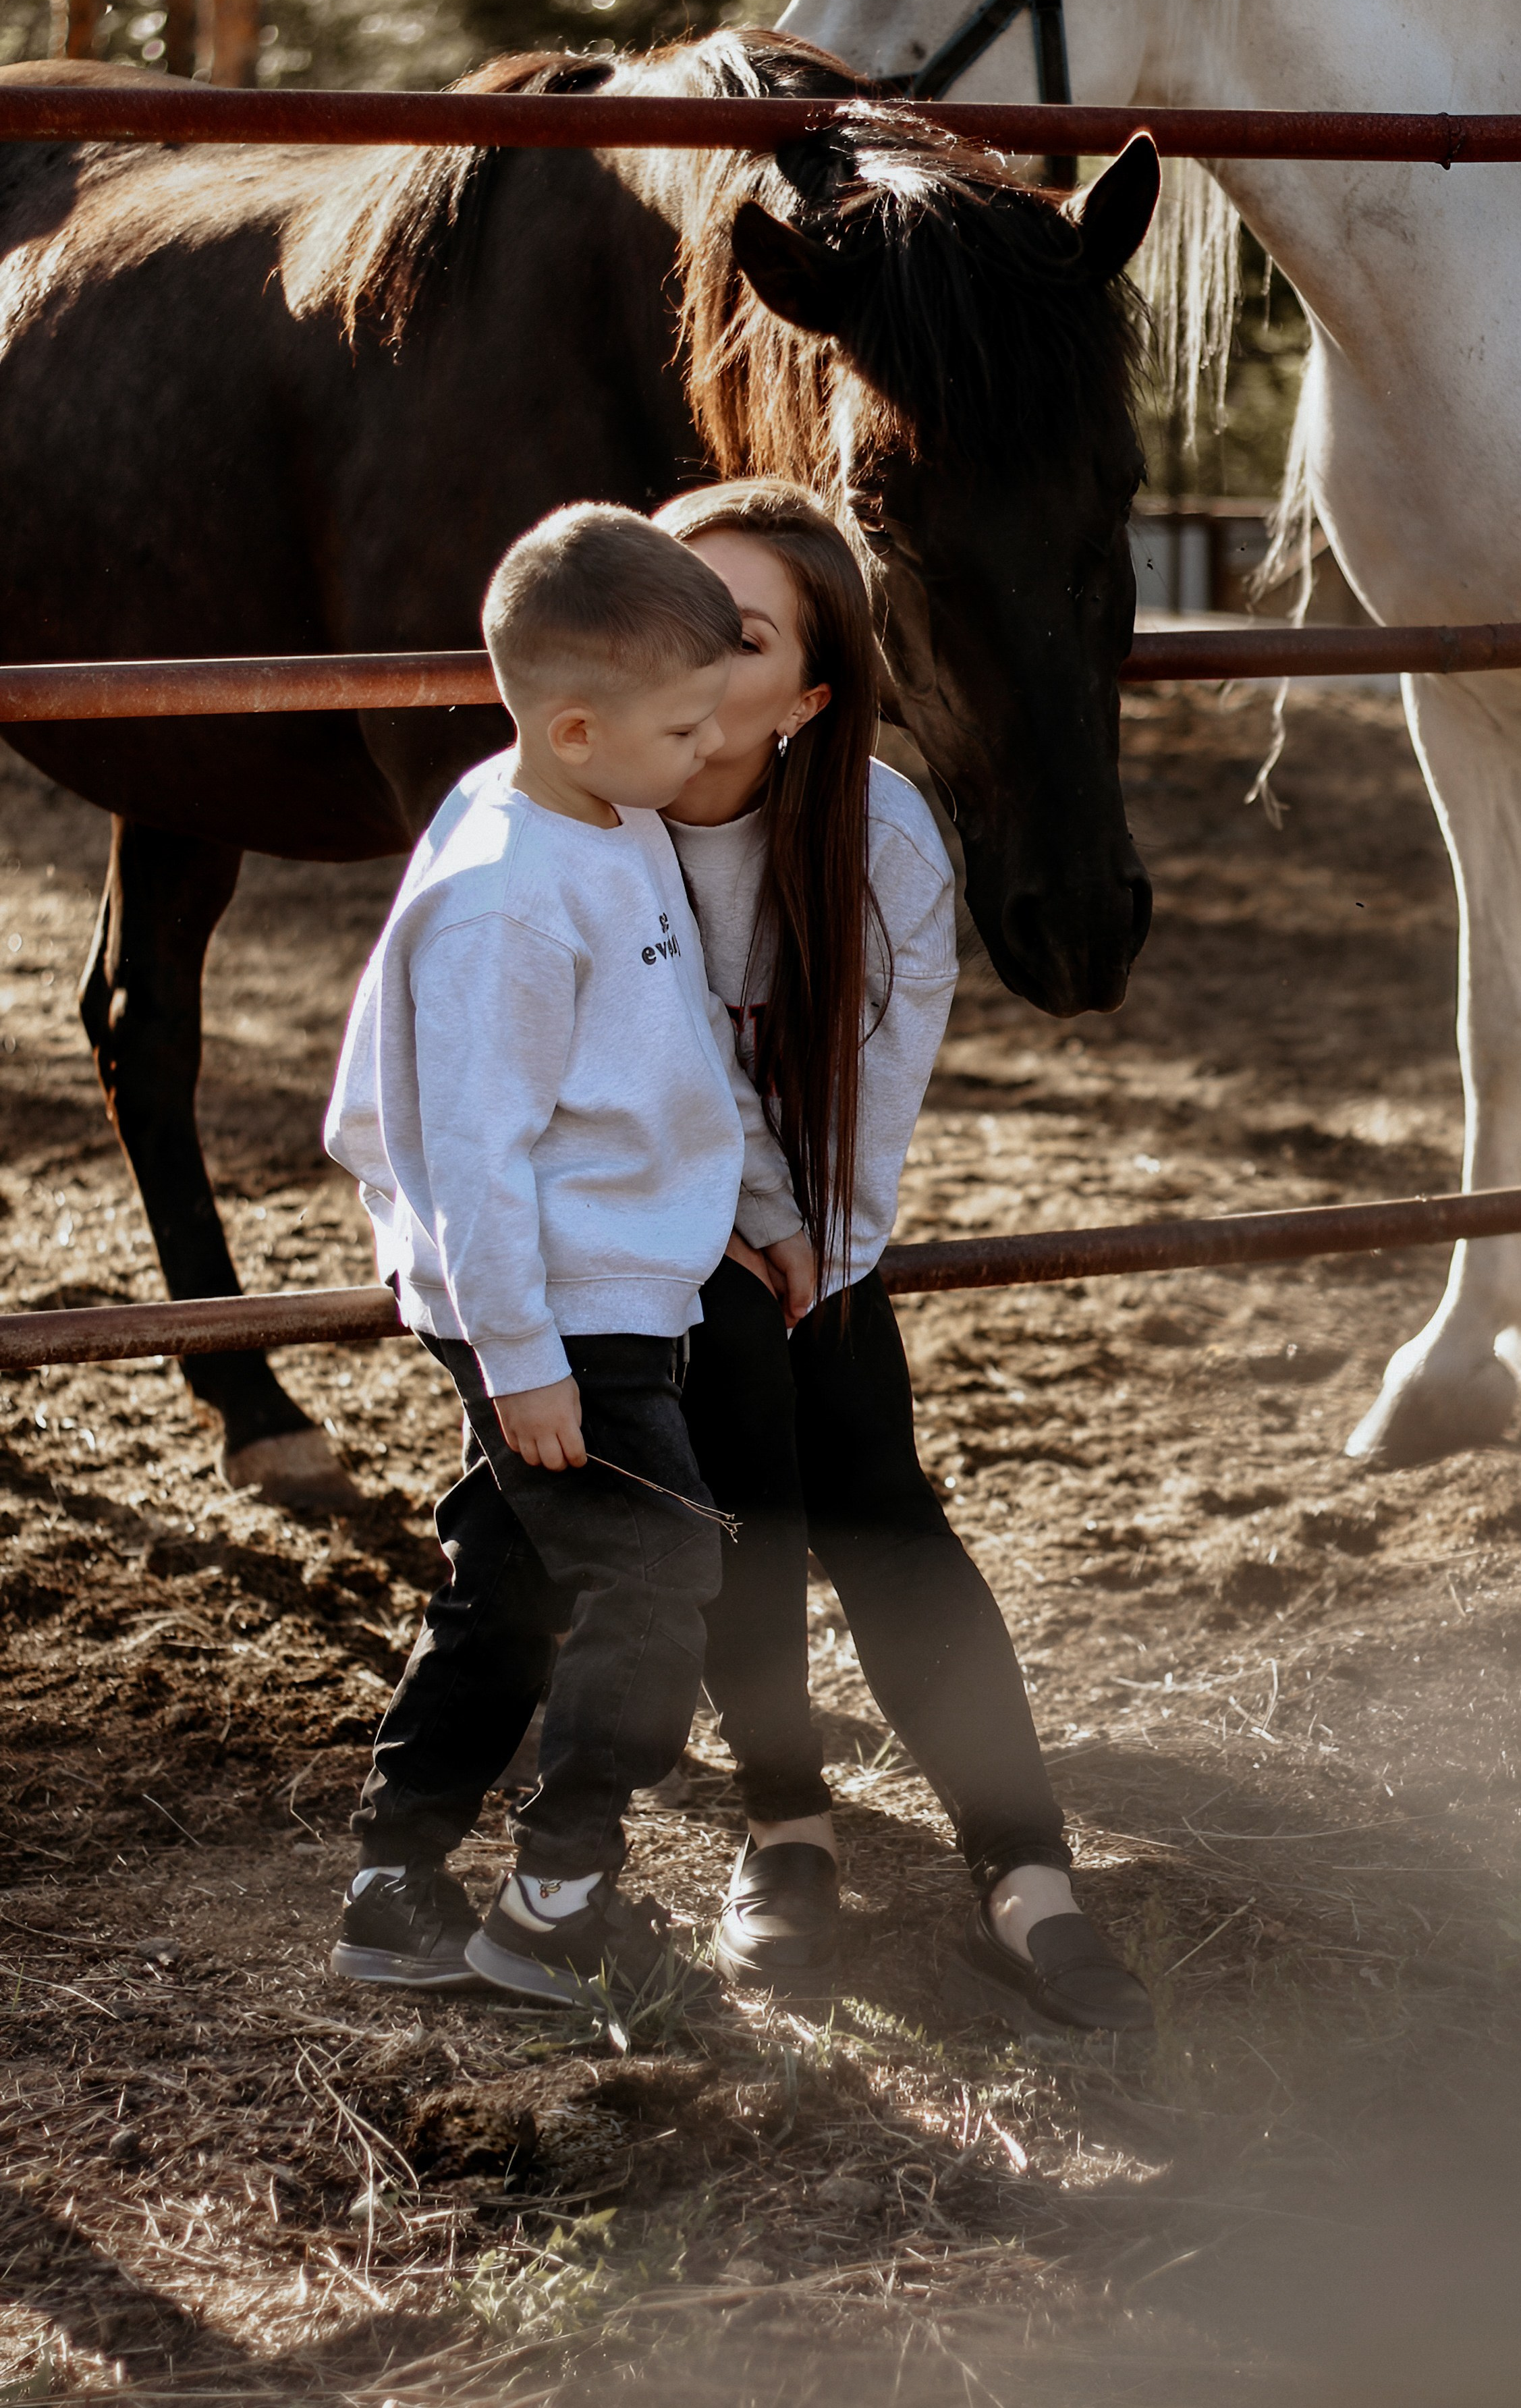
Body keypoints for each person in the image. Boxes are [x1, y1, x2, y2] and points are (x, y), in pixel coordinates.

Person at [655, 481, 1155, 2037]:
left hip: (814, 1220)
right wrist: (749, 1234)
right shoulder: (590, 811)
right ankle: (786, 1829)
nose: (678, 661)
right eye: (660, 619)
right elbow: (652, 1068)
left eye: (729, 636)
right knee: (746, 1492)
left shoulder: (875, 828)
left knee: (872, 1483)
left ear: (810, 694)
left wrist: (827, 1251)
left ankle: (1022, 1868)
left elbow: (877, 1072)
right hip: (646, 1218)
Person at [322, 502, 812, 2006]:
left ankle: (394, 1887)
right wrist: (523, 1358)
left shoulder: (610, 815)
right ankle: (558, 1903)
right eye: (684, 731)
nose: (709, 757)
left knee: (508, 1584)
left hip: (610, 1275)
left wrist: (758, 1198)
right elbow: (469, 1156)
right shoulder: (504, 901)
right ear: (581, 726)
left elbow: (670, 1046)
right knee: (662, 1567)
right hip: (549, 1302)